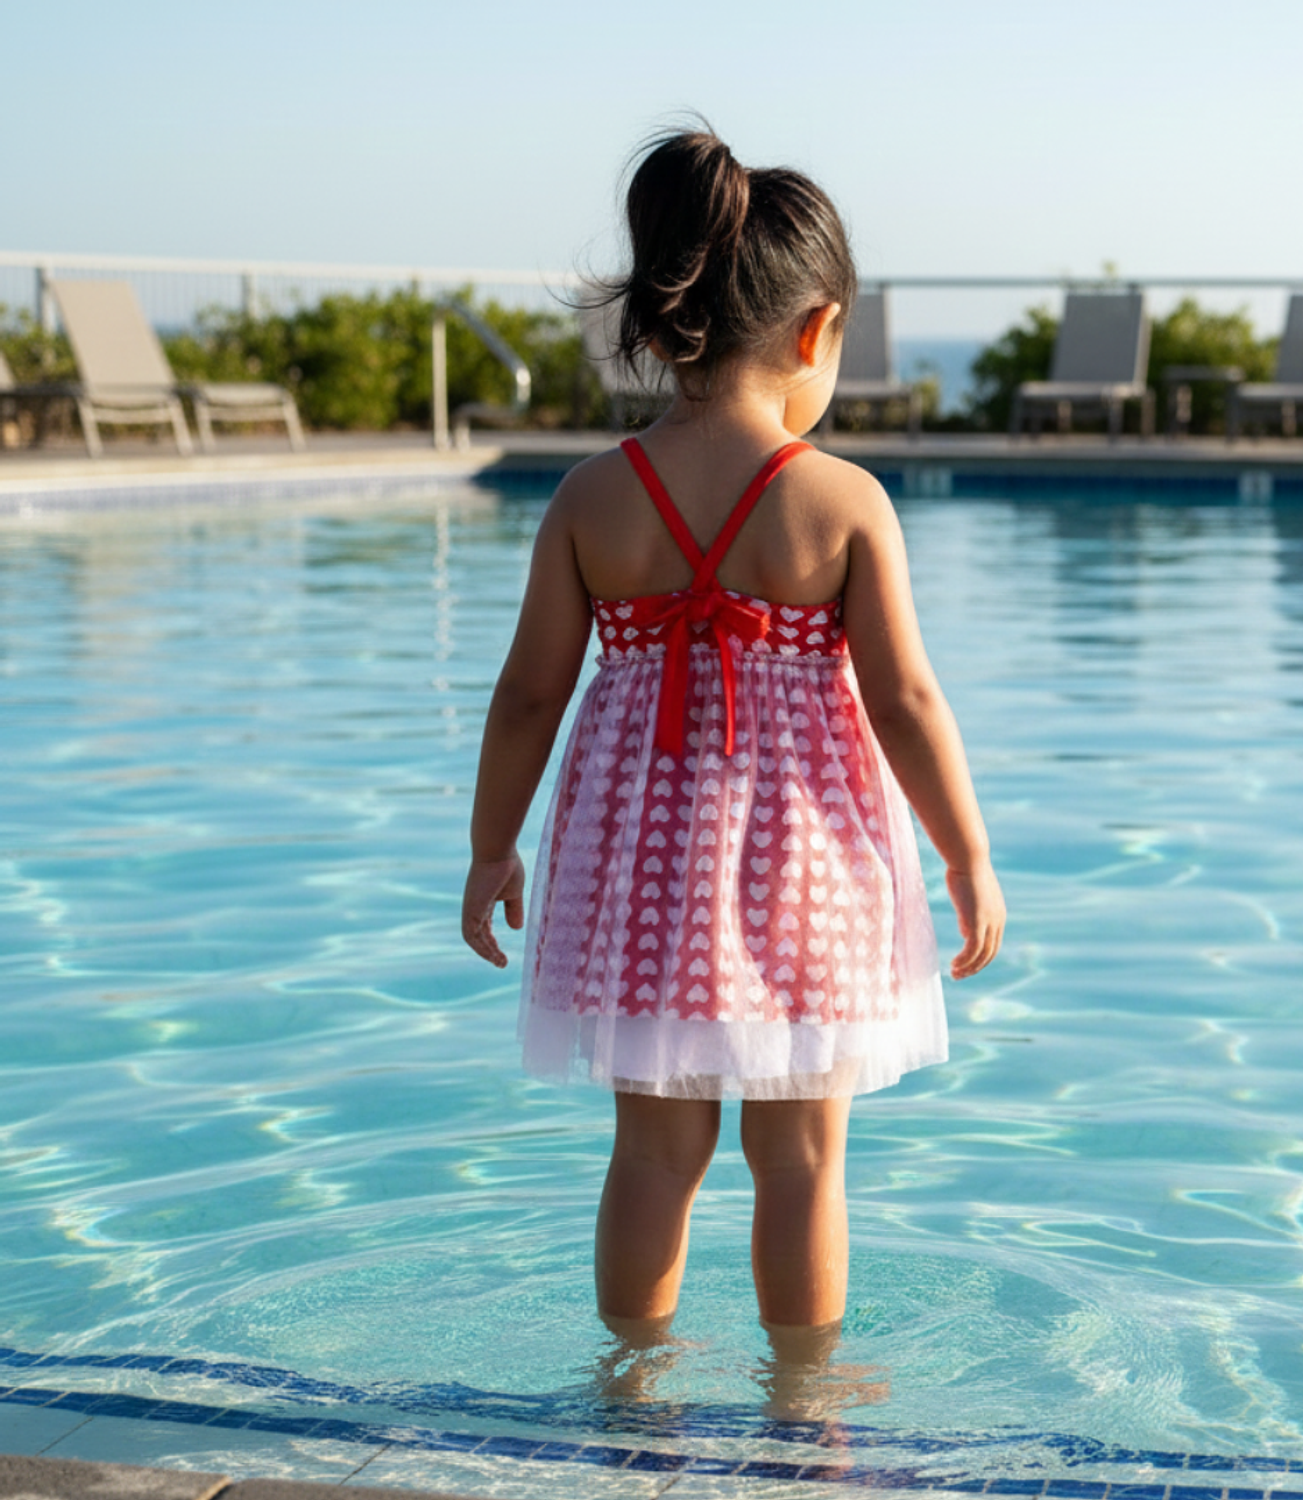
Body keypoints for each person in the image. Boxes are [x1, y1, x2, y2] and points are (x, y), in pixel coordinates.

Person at [462, 127, 1004, 1351]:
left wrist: (493, 845)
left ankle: (630, 1389)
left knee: (653, 1156)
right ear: (817, 333)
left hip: (638, 875)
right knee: (804, 1159)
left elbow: (526, 698)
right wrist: (965, 855)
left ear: (659, 323)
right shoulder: (841, 502)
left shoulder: (593, 497)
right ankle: (804, 1413)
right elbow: (909, 700)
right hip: (802, 870)